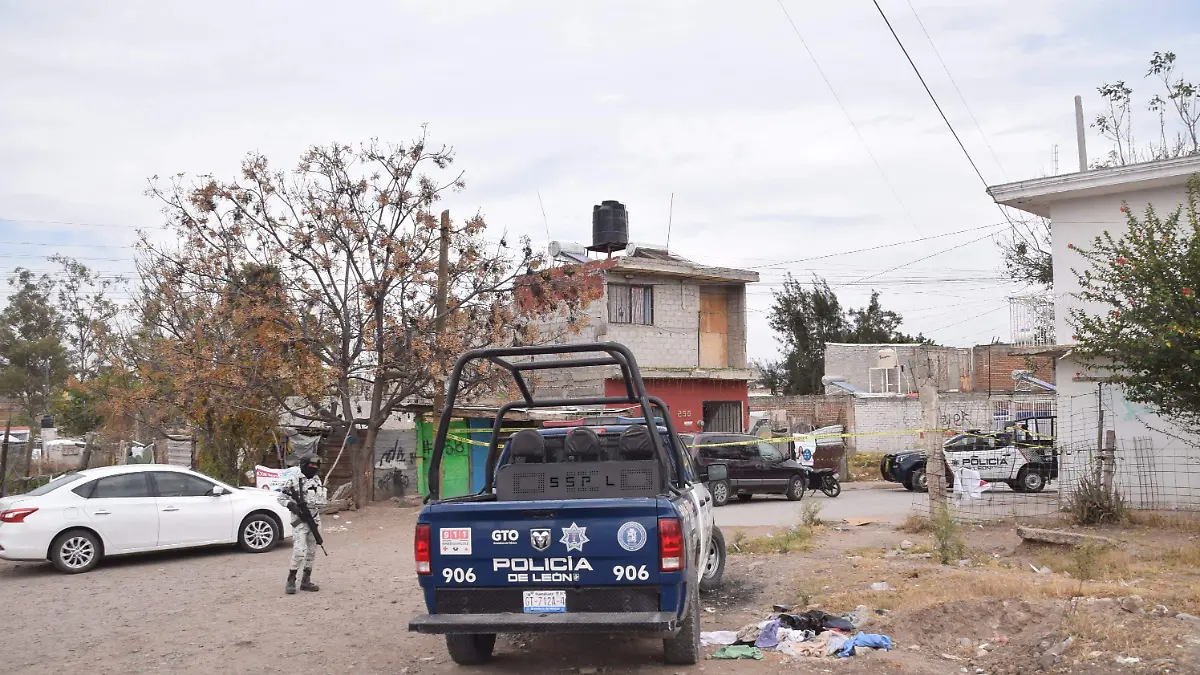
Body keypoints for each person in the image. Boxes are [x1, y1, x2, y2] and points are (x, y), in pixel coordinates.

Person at [278, 453, 327, 595]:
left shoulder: (317, 479)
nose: (314, 467)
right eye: (312, 465)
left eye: (316, 465)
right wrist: (291, 505)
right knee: (299, 551)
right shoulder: (293, 480)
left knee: (312, 550)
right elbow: (281, 498)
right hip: (299, 520)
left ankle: (306, 580)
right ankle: (291, 579)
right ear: (304, 465)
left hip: (314, 518)